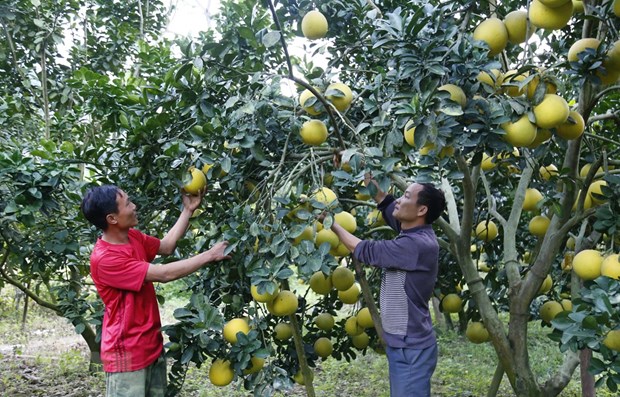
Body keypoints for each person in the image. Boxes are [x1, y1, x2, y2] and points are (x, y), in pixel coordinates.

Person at [80, 185, 230, 397]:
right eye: (128, 203)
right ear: (112, 218)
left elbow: (166, 246)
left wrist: (188, 210)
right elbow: (164, 274)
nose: (134, 206)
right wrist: (210, 255)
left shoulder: (132, 237)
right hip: (127, 355)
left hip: (151, 345)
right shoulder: (105, 259)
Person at [327, 176, 446, 397]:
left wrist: (331, 224)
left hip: (411, 349)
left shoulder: (415, 245)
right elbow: (384, 200)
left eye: (407, 196)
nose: (399, 200)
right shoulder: (411, 230)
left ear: (421, 210)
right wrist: (358, 166)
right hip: (402, 343)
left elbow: (366, 250)